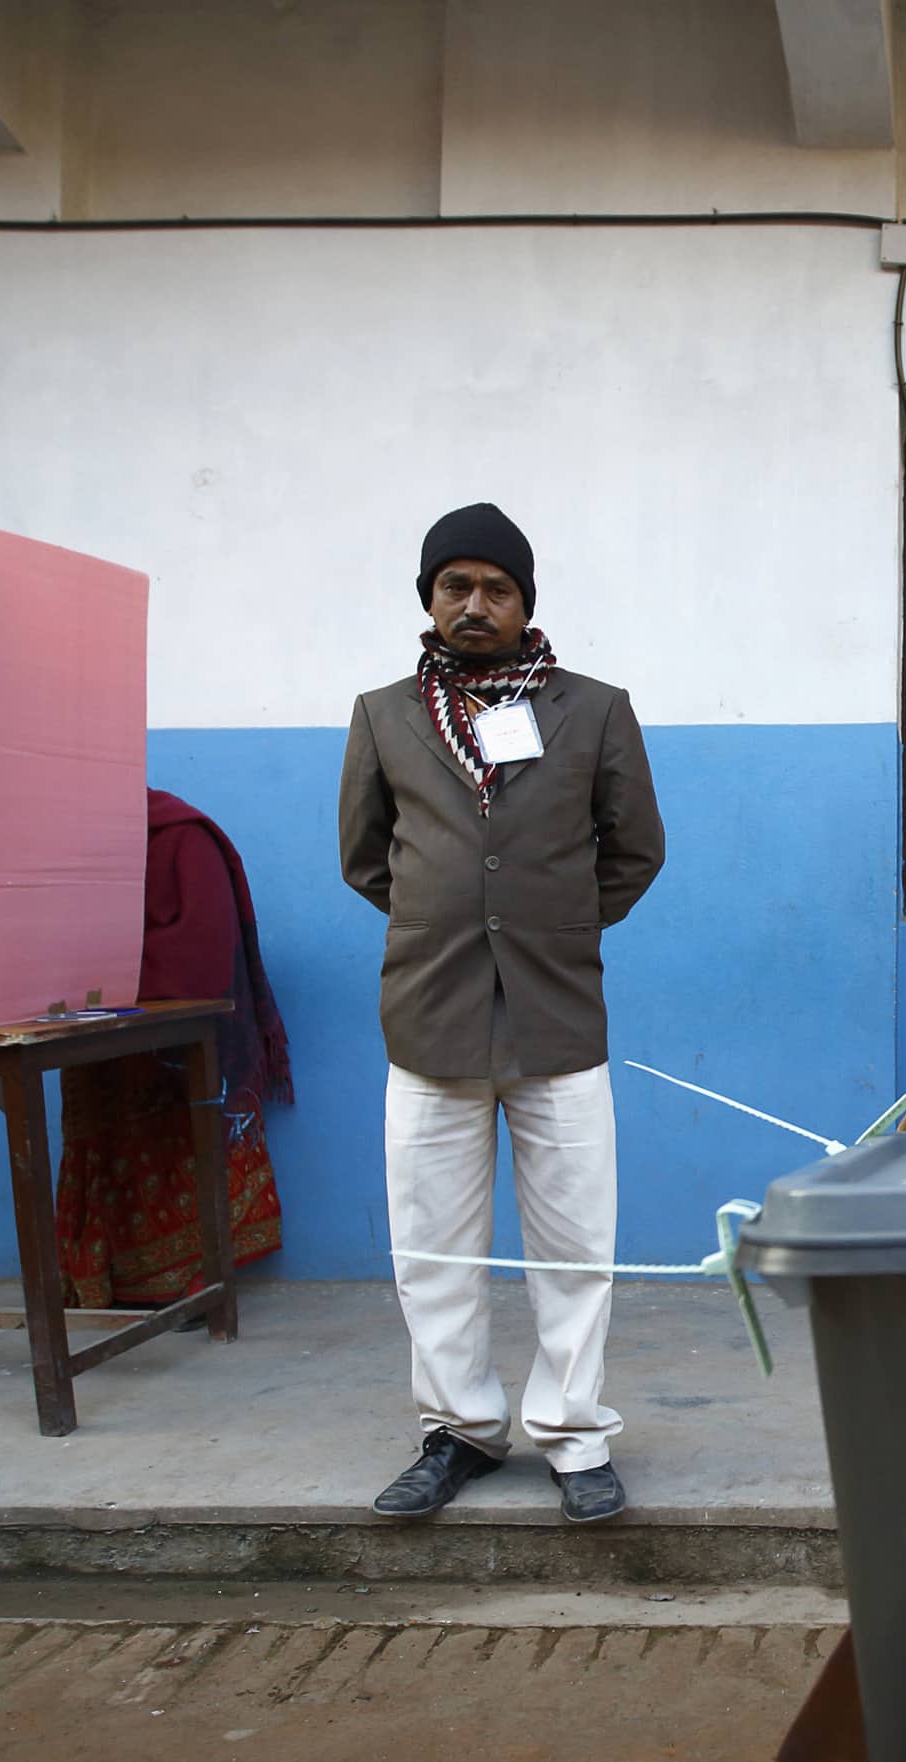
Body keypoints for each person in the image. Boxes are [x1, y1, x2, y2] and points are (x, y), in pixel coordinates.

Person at [339, 503, 666, 1525]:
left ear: (527, 604)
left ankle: (573, 1434)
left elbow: (634, 850)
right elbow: (366, 857)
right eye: (455, 586)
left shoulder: (595, 708)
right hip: (428, 1016)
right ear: (429, 600)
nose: (474, 603)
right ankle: (459, 1431)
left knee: (576, 1240)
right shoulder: (385, 713)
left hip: (557, 1015)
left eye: (496, 587)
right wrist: (455, 928)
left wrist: (548, 926)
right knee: (431, 1242)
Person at [54, 789, 290, 1309]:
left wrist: (114, 974)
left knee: (189, 1142)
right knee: (101, 1144)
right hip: (100, 1035)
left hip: (180, 1034)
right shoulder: (77, 846)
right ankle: (106, 1275)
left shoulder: (184, 837)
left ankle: (197, 1282)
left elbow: (202, 952)